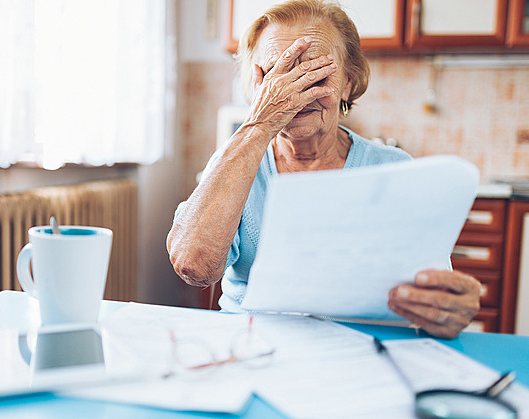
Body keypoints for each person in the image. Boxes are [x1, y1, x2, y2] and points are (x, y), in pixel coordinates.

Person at [167, 0, 481, 339]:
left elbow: (433, 299)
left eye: (316, 72)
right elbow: (193, 265)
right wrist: (259, 124)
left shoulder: (394, 169)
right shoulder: (234, 164)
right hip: (253, 344)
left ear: (347, 83)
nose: (296, 92)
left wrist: (446, 311)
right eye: (278, 75)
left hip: (360, 348)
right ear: (257, 89)